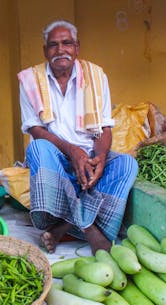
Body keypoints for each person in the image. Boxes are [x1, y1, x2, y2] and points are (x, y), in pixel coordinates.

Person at [18, 20, 138, 254]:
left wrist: (100, 158)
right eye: (53, 45)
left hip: (90, 157)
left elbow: (104, 127)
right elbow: (35, 129)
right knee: (37, 148)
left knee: (127, 164)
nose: (60, 50)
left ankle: (65, 225)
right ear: (45, 51)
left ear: (77, 47)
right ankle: (89, 225)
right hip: (57, 158)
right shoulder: (30, 80)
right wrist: (73, 152)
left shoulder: (96, 75)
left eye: (67, 43)